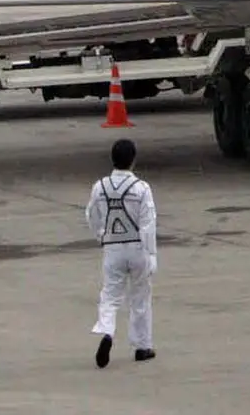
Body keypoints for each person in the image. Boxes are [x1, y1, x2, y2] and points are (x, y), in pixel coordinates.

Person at [86, 138, 157, 368]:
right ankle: (142, 346)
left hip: (113, 247)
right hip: (137, 247)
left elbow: (91, 215)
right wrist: (151, 255)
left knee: (110, 295)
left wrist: (100, 234)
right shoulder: (142, 188)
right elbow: (148, 224)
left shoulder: (100, 187)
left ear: (112, 159)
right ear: (133, 160)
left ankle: (107, 330)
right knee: (140, 297)